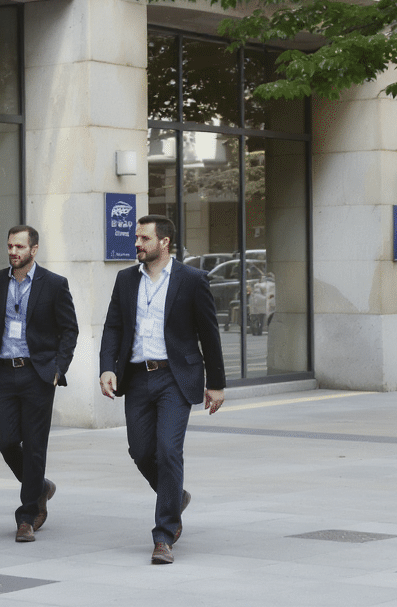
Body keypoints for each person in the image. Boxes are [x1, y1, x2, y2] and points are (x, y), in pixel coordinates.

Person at [99, 214, 225, 565]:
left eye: (144, 238)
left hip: (175, 377)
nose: (137, 244)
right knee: (141, 452)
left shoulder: (192, 280)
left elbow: (209, 333)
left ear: (164, 242)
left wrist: (216, 384)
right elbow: (113, 327)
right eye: (136, 238)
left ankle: (164, 534)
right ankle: (174, 497)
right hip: (137, 377)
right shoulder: (126, 279)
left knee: (169, 451)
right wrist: (107, 366)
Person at [0, 225, 78, 543]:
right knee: (5, 440)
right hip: (3, 373)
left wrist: (58, 369)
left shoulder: (54, 284)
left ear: (34, 250)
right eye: (10, 246)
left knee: (34, 446)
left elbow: (69, 329)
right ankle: (40, 487)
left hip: (37, 374)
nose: (13, 252)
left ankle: (27, 516)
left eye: (19, 247)